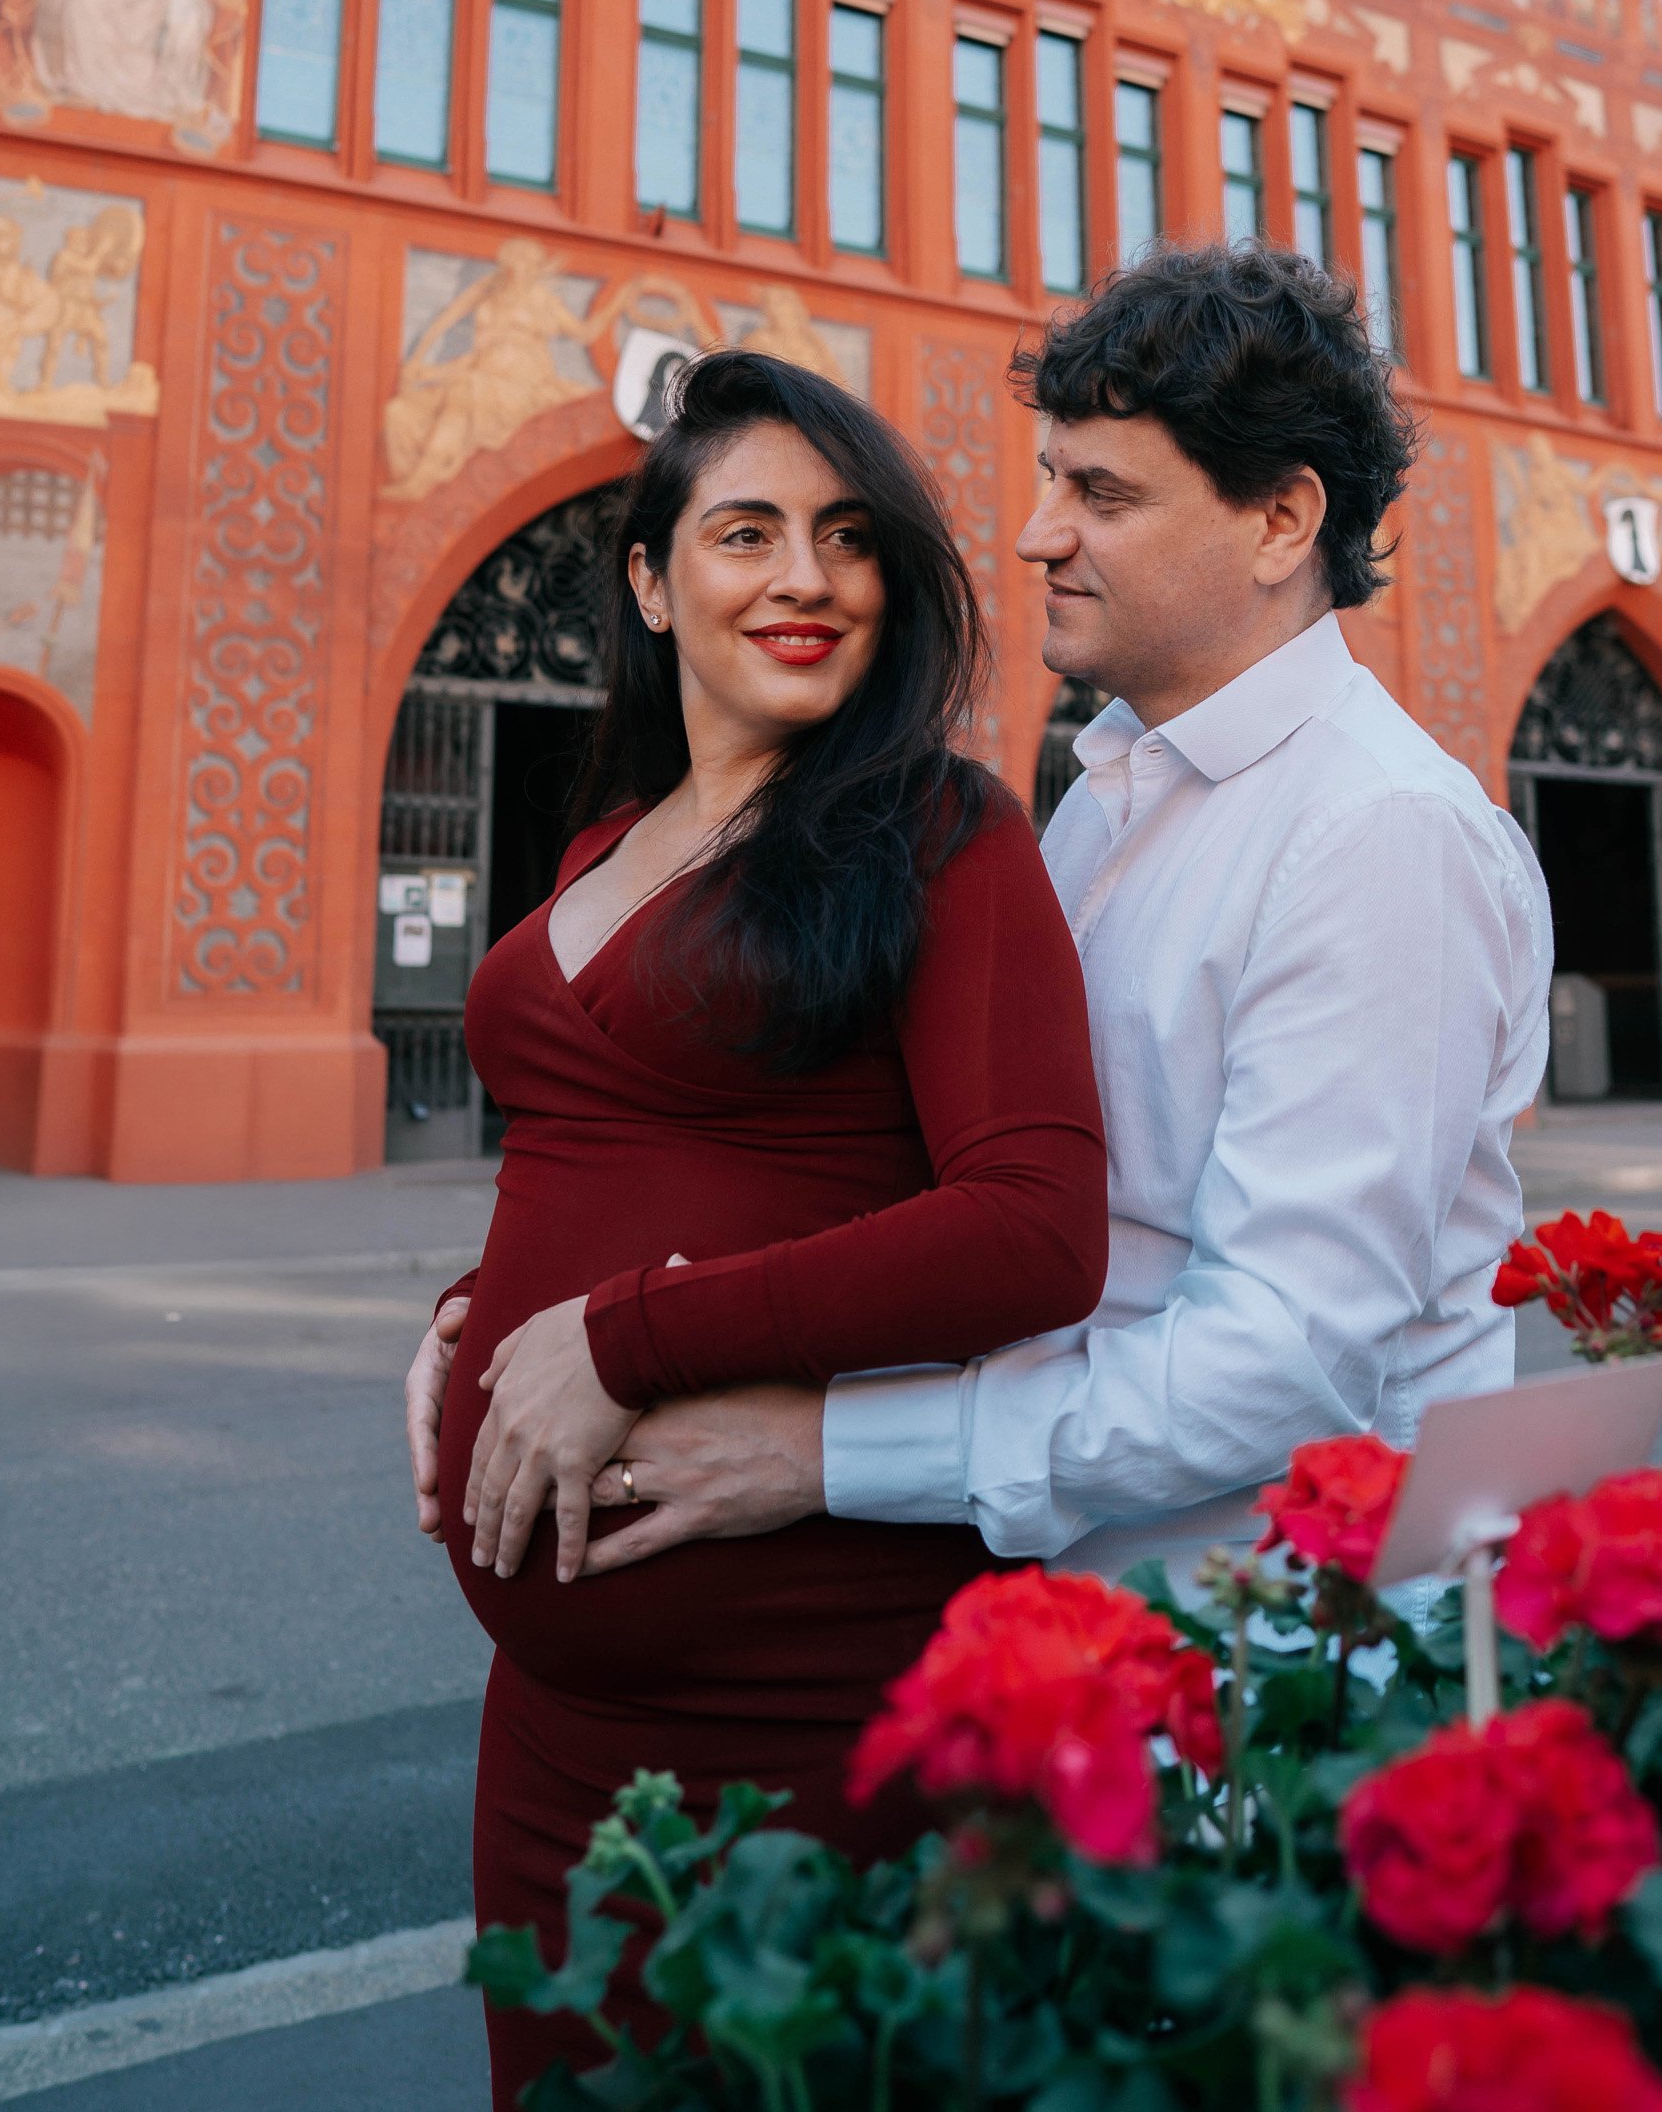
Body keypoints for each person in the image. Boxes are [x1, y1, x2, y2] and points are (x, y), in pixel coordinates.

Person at [420, 242, 1553, 1596]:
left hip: (1261, 1654)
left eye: (1103, 494)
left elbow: (1282, 1362)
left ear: (1280, 523)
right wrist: (510, 1322)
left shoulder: (1378, 834)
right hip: (1067, 1611)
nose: (1038, 534)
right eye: (1048, 481)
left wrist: (828, 1451)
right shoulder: (1113, 791)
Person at [407, 348, 1107, 2107]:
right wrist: (471, 1314)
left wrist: (617, 1338)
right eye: (746, 532)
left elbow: (1033, 1230)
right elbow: (604, 1145)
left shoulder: (942, 833)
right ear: (652, 582)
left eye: (848, 536)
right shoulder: (601, 849)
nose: (805, 577)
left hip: (801, 1699)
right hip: (561, 1736)